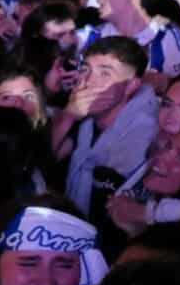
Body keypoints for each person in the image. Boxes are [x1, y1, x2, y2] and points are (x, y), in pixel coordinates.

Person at [53, 37, 158, 220]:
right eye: (85, 69)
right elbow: (43, 160)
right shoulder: (82, 123)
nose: (88, 81)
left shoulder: (147, 137)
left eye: (105, 74)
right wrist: (67, 116)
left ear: (131, 86)